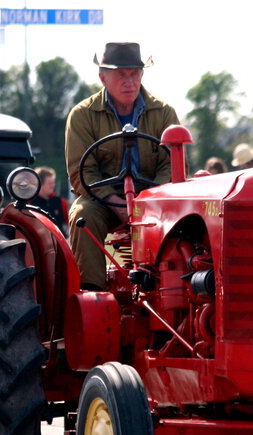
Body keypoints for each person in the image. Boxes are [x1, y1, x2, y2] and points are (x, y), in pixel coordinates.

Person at [65, 41, 180, 291]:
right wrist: (117, 203)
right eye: (120, 75)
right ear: (103, 78)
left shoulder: (164, 113)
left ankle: (175, 291)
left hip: (154, 199)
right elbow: (82, 172)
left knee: (187, 223)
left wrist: (145, 202)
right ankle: (91, 295)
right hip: (102, 200)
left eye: (134, 73)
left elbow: (172, 166)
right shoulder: (82, 115)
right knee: (82, 216)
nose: (129, 81)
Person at [29, 166, 69, 235]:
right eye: (50, 183)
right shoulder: (29, 203)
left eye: (53, 182)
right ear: (40, 184)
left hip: (58, 242)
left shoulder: (61, 202)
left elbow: (68, 223)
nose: (53, 186)